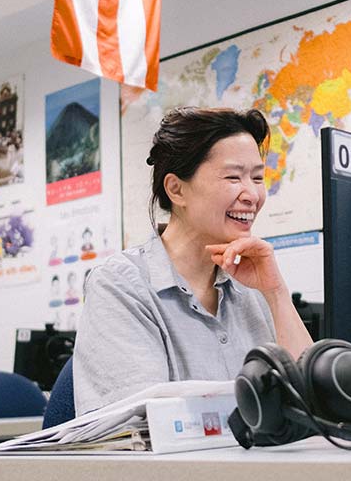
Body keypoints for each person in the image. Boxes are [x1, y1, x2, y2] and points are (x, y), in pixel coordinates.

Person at [72, 108, 314, 414]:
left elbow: (314, 402)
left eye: (257, 177)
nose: (252, 194)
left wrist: (276, 293)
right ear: (176, 189)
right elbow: (138, 425)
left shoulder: (251, 287)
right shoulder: (120, 285)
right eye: (233, 177)